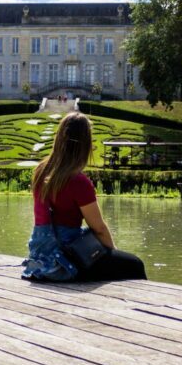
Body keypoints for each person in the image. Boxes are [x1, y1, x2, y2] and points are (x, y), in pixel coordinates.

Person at [22, 112, 147, 282]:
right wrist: (113, 253)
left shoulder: (40, 171)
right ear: (85, 144)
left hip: (41, 258)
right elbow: (99, 229)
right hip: (65, 261)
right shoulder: (78, 181)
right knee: (134, 265)